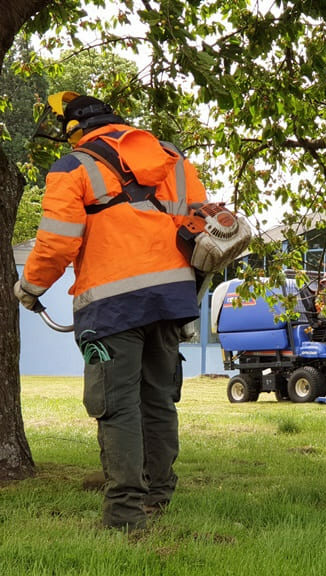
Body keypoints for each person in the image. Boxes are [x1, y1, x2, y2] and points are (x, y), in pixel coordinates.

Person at [14, 92, 207, 532]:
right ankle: (157, 502)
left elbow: (59, 240)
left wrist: (30, 287)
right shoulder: (171, 158)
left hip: (112, 305)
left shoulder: (73, 167)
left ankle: (124, 516)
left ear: (75, 130)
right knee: (157, 401)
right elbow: (198, 222)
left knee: (116, 407)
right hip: (171, 300)